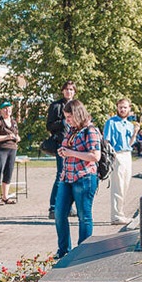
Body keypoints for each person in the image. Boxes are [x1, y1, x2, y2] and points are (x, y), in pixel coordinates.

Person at [54, 99, 102, 259]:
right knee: (59, 213)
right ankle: (64, 251)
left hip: (84, 177)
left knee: (84, 216)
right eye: (66, 117)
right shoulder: (72, 130)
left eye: (69, 117)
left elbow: (95, 156)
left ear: (77, 114)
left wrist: (70, 153)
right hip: (67, 177)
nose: (67, 120)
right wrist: (63, 151)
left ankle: (83, 252)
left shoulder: (91, 130)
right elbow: (69, 149)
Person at [102, 98, 136, 225]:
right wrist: (112, 154)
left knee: (125, 185)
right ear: (117, 108)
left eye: (125, 107)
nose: (122, 109)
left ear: (129, 109)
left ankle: (120, 213)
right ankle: (116, 216)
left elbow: (130, 143)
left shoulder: (129, 125)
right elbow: (106, 141)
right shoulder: (111, 123)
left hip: (127, 154)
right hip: (117, 155)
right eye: (121, 107)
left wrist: (135, 134)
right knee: (118, 186)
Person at [46, 81, 75, 218]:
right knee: (61, 175)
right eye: (66, 89)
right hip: (61, 144)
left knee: (73, 176)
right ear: (63, 91)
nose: (69, 92)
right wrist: (63, 122)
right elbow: (49, 126)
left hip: (75, 145)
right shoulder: (56, 106)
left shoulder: (76, 106)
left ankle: (68, 206)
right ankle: (53, 207)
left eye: (71, 89)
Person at [0, 100, 21, 206]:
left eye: (9, 108)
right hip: (0, 150)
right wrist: (6, 137)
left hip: (12, 149)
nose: (7, 111)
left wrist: (16, 138)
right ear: (1, 111)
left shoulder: (13, 122)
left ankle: (5, 196)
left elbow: (17, 135)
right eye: (5, 109)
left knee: (8, 172)